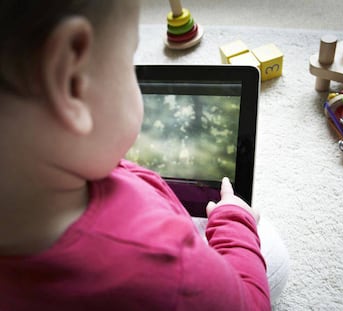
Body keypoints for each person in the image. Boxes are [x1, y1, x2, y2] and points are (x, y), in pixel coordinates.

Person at [0, 1, 289, 310]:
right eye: (129, 59)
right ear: (70, 81)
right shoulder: (167, 262)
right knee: (269, 245)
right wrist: (234, 219)